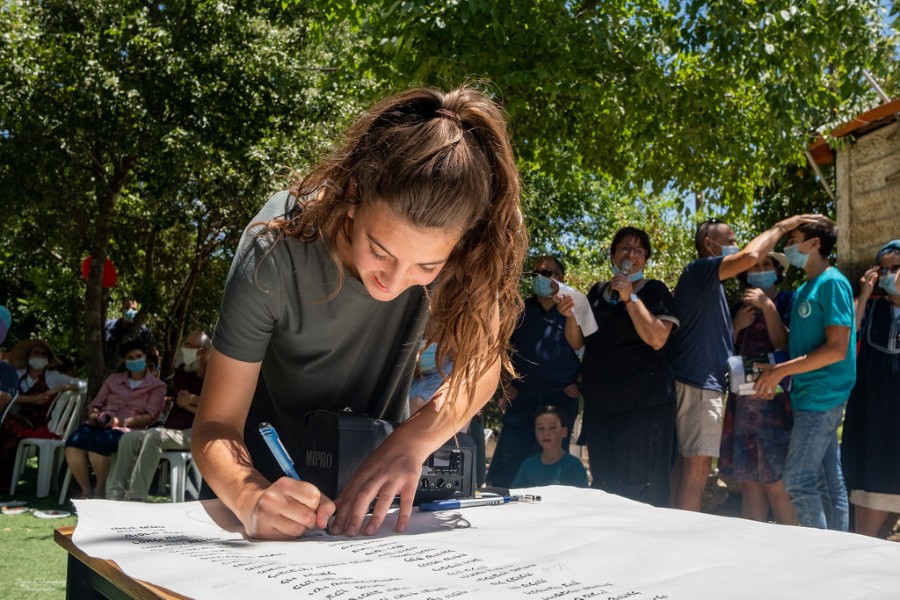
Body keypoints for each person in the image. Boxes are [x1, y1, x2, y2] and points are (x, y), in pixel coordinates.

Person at [192, 85, 527, 539]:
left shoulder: (466, 257)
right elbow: (214, 425)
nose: (393, 281)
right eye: (379, 250)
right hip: (250, 500)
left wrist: (415, 440)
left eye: (426, 266)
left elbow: (482, 363)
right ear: (353, 196)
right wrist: (250, 497)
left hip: (363, 506)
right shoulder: (278, 246)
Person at [669, 214, 814, 511]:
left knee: (692, 470)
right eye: (730, 240)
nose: (737, 247)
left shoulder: (713, 288)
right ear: (709, 245)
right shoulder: (701, 271)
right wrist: (783, 227)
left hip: (706, 386)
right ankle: (682, 543)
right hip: (699, 384)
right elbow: (750, 255)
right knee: (696, 472)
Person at [754, 216, 855, 531]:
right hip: (806, 392)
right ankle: (837, 552)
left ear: (815, 243)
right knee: (826, 481)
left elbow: (837, 348)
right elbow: (790, 343)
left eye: (793, 238)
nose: (788, 245)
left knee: (797, 479)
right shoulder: (803, 290)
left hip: (822, 394)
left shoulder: (833, 282)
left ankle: (817, 555)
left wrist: (781, 370)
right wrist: (772, 368)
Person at [580, 227, 679, 507]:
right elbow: (581, 341)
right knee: (604, 486)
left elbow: (658, 338)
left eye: (639, 251)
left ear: (645, 261)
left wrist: (630, 298)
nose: (631, 255)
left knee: (639, 489)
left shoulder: (655, 291)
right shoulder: (597, 293)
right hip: (601, 407)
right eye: (624, 248)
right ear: (612, 255)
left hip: (644, 407)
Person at [486, 256, 592, 489]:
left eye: (548, 273)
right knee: (508, 463)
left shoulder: (577, 308)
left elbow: (583, 348)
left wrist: (578, 386)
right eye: (536, 274)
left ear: (561, 278)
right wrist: (505, 384)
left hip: (561, 397)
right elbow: (500, 350)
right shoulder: (519, 311)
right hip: (522, 397)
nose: (540, 278)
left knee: (553, 467)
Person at [718, 252, 797, 524]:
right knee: (750, 481)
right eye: (755, 267)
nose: (761, 270)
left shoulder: (788, 300)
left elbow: (786, 345)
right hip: (744, 407)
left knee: (777, 482)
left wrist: (768, 308)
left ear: (777, 271)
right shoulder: (737, 306)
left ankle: (796, 549)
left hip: (777, 405)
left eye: (767, 266)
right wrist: (736, 326)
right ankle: (752, 551)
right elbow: (725, 351)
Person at [840, 240, 900, 537]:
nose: (890, 275)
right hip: (874, 429)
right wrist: (863, 295)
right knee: (864, 531)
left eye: (896, 268)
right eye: (885, 269)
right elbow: (847, 338)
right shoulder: (872, 308)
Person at [108, 331, 210, 501]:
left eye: (189, 346)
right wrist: (195, 403)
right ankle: (114, 496)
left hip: (196, 433)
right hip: (173, 430)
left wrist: (192, 400)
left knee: (155, 436)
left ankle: (135, 498)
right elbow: (180, 401)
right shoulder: (183, 371)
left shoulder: (214, 376)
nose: (184, 348)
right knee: (129, 438)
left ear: (202, 351)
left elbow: (213, 410)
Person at [65, 340, 166, 498]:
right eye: (130, 357)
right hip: (102, 422)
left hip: (128, 430)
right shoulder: (113, 380)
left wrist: (121, 422)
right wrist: (93, 414)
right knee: (73, 443)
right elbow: (96, 403)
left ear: (145, 357)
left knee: (98, 445)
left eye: (138, 356)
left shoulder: (157, 386)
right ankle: (86, 490)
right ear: (125, 361)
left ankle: (100, 490)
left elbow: (149, 416)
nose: (135, 360)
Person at [1, 339, 84, 495]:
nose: (39, 356)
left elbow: (83, 384)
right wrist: (32, 399)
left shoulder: (53, 377)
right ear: (28, 357)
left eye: (43, 354)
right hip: (14, 417)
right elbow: (6, 396)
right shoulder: (16, 374)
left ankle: (5, 485)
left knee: (6, 431)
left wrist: (62, 387)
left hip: (38, 424)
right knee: (5, 429)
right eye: (36, 353)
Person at [511, 405, 588, 489]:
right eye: (540, 428)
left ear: (564, 431)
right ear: (535, 432)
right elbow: (515, 496)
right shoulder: (527, 465)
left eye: (552, 428)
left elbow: (583, 499)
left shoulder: (574, 467)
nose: (546, 433)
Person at [103, 298, 158, 373]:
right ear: (121, 309)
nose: (130, 311)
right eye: (127, 308)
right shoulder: (108, 326)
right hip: (110, 375)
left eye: (133, 309)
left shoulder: (143, 331)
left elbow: (153, 351)